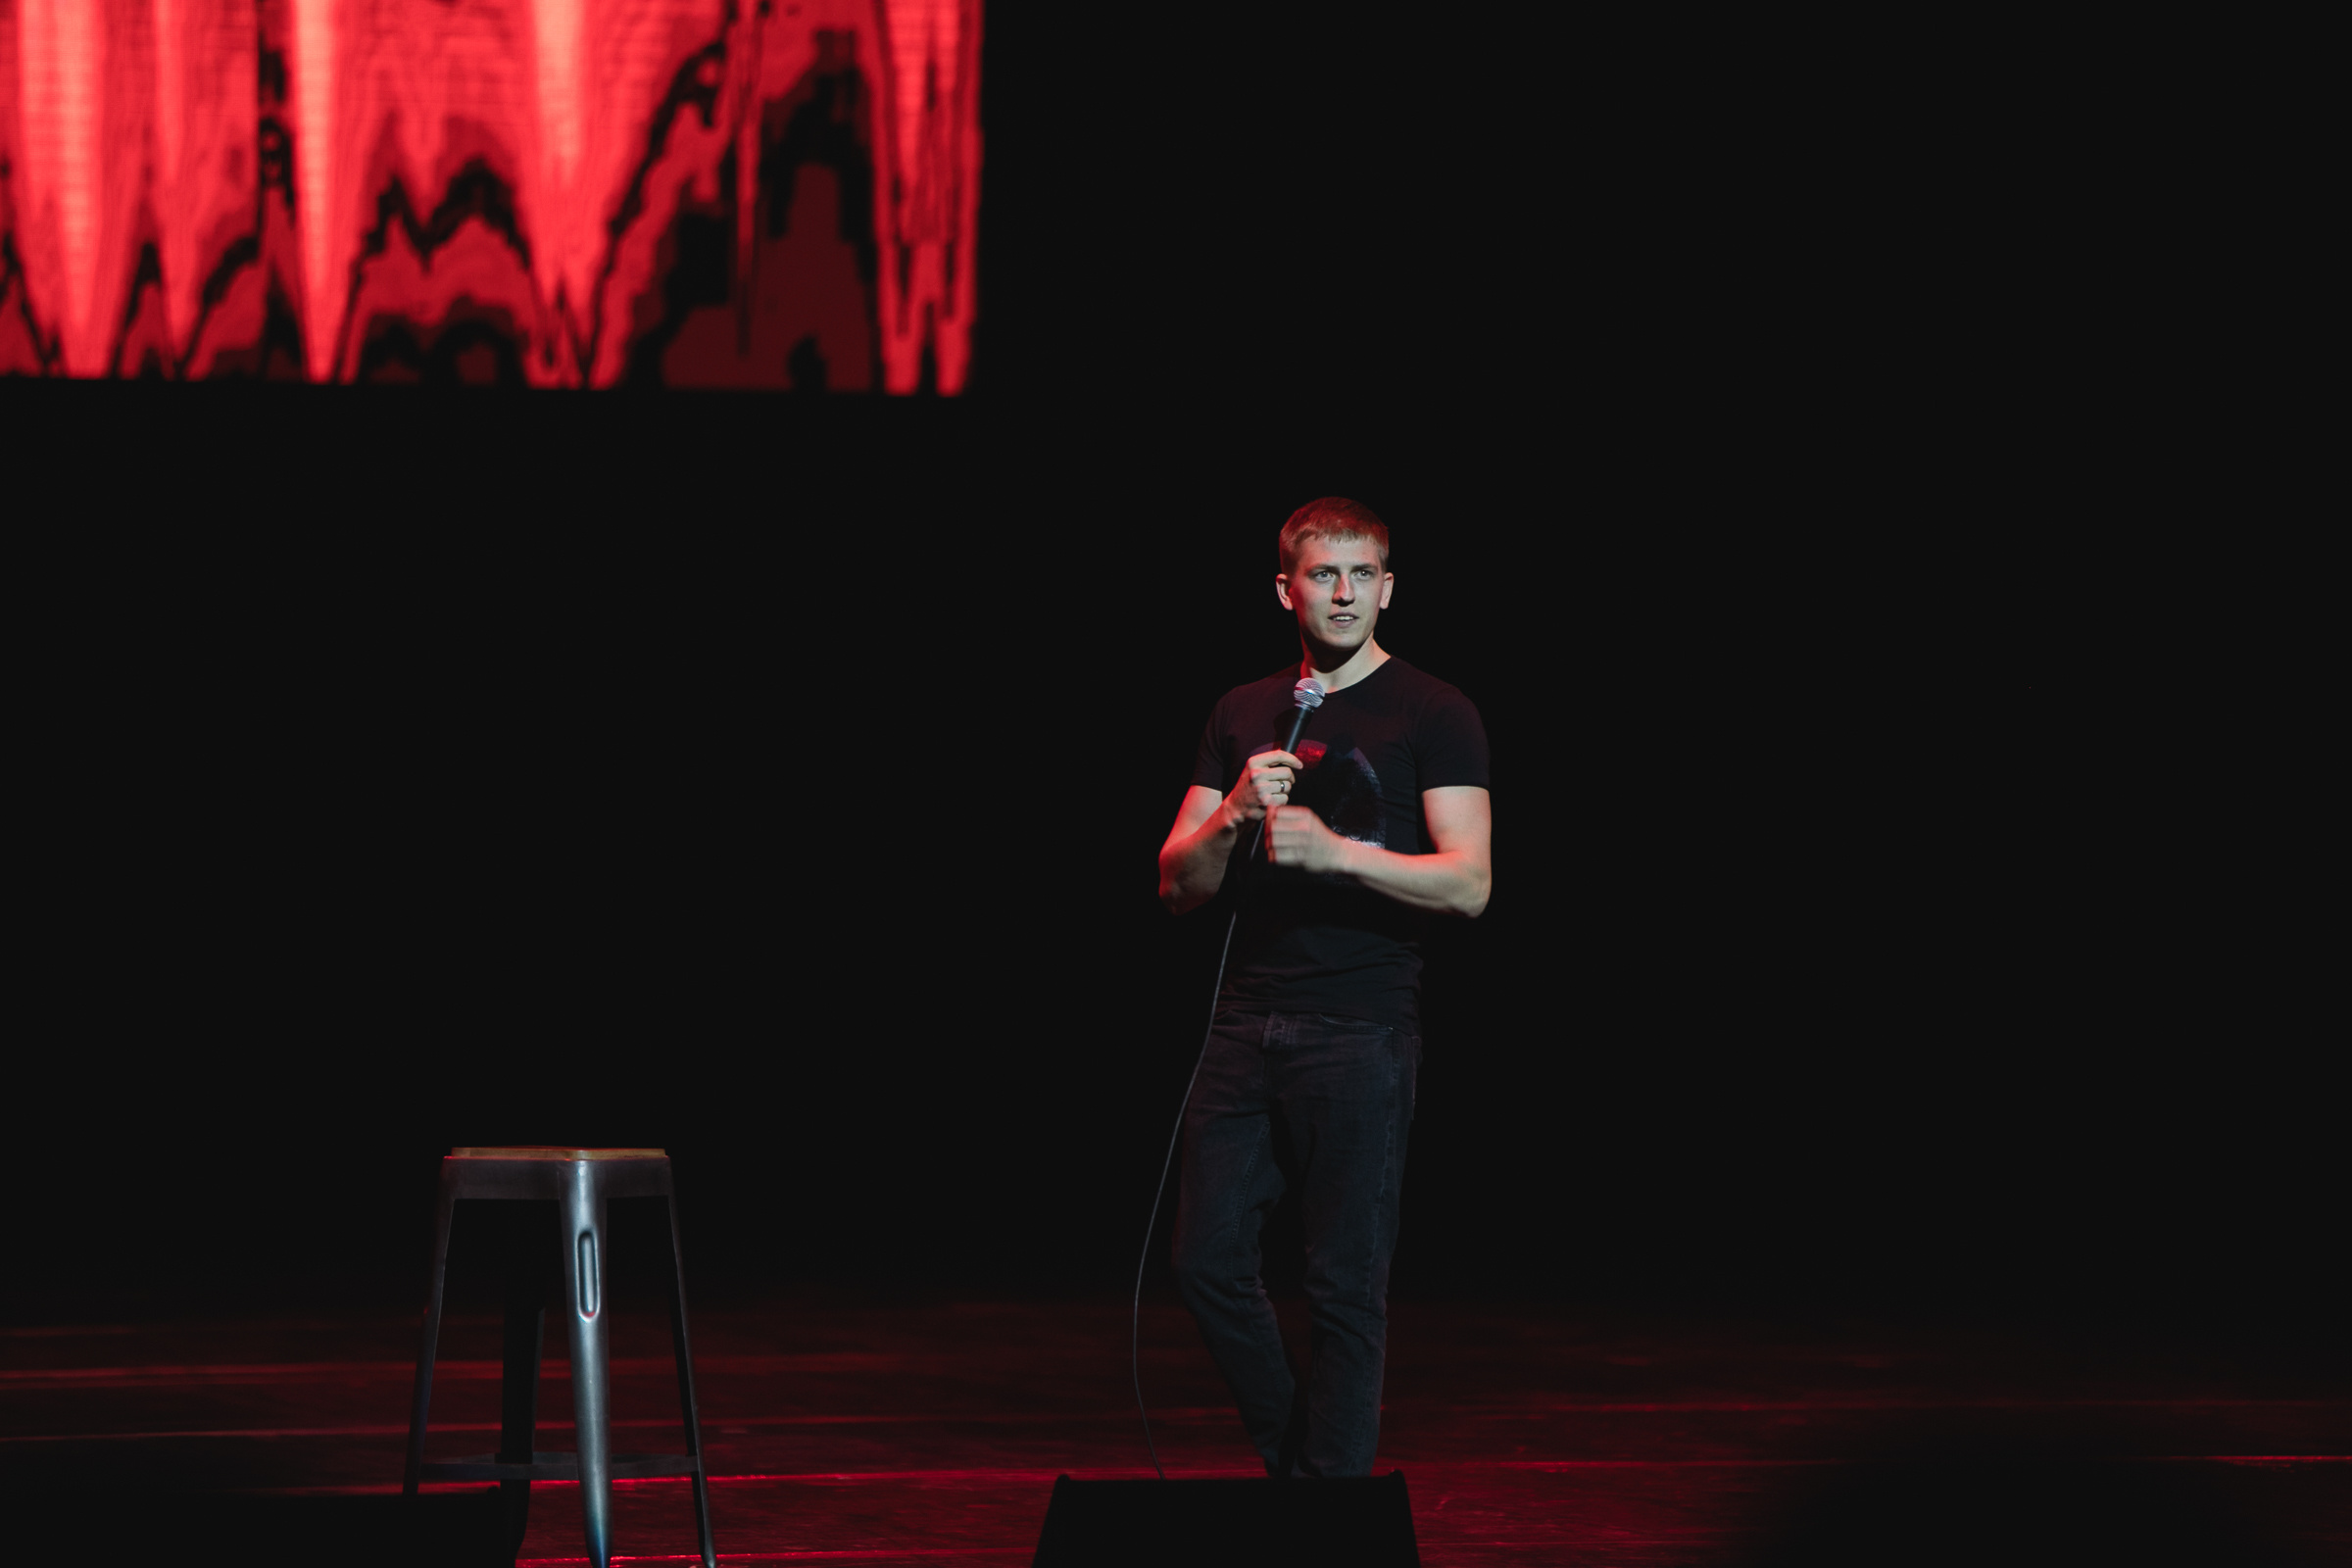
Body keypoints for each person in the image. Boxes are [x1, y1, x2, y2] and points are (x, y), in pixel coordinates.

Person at [1155, 496, 1493, 1479]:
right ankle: (1312, 1479)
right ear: (1285, 588)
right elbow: (1175, 885)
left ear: (1387, 587)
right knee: (1205, 1263)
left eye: (1361, 576)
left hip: (1360, 1025)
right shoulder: (1242, 710)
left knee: (1344, 1284)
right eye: (1322, 574)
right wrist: (1229, 815)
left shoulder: (1434, 710)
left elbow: (1469, 881)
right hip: (1244, 1019)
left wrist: (1339, 854)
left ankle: (1327, 1514)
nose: (1342, 594)